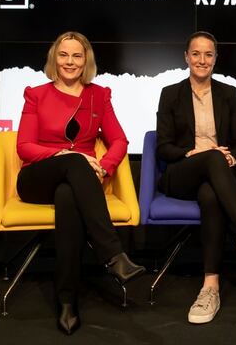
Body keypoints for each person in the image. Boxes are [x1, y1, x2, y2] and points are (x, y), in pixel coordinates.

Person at [155, 32, 236, 324]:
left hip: (220, 177)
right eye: (196, 54)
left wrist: (233, 157)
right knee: (212, 159)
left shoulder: (229, 93)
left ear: (216, 59)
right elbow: (163, 146)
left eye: (208, 54)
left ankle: (210, 287)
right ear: (186, 57)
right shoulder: (170, 93)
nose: (202, 60)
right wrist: (192, 154)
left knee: (210, 194)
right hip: (182, 174)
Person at [15, 31, 145, 335]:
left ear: (85, 60)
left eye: (76, 55)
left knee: (68, 197)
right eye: (63, 55)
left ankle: (67, 302)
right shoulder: (37, 94)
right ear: (54, 58)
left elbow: (119, 140)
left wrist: (104, 167)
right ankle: (113, 255)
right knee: (74, 161)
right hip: (37, 177)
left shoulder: (99, 95)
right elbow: (24, 147)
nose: (69, 62)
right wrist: (64, 154)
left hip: (80, 182)